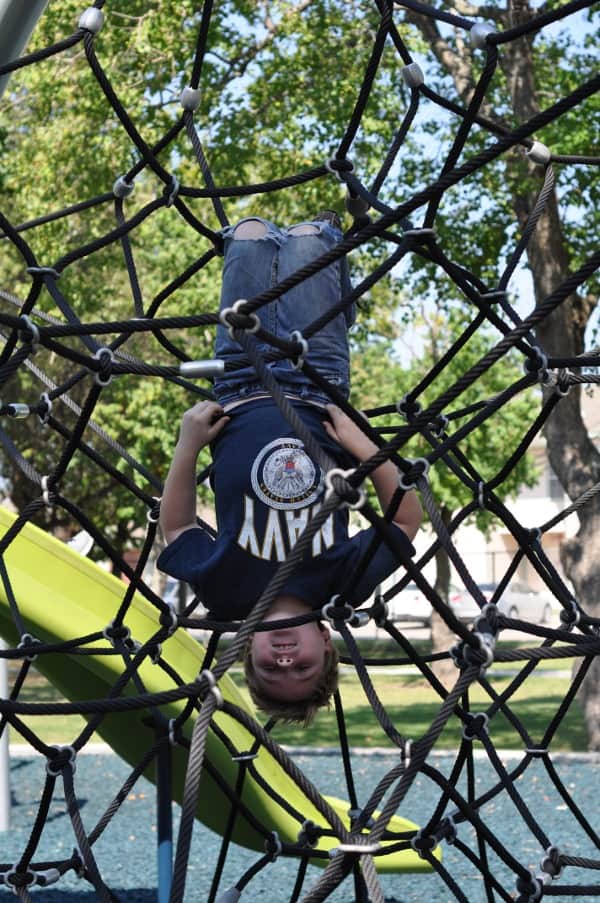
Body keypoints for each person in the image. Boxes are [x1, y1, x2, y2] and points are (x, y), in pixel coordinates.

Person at [158, 213, 422, 724]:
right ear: (325, 642)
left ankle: (302, 261)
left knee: (249, 237)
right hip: (313, 378)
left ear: (245, 650)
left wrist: (187, 446)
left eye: (271, 671)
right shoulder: (343, 584)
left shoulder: (225, 591)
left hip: (239, 380)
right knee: (308, 243)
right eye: (301, 669)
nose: (284, 661)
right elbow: (406, 519)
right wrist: (363, 445)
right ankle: (337, 276)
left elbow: (177, 528)